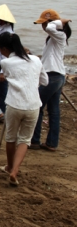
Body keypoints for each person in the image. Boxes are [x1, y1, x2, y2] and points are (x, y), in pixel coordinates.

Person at [0, 32, 48, 186]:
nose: (1, 52)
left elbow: (6, 74)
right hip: (33, 105)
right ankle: (14, 170)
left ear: (5, 48)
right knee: (25, 140)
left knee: (11, 138)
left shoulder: (6, 63)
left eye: (0, 49)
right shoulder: (36, 60)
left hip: (15, 104)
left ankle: (10, 166)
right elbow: (45, 81)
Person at [30, 10, 72, 152]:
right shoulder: (52, 38)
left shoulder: (60, 35)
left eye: (44, 23)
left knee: (38, 107)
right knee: (54, 111)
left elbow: (50, 27)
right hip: (55, 76)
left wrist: (61, 21)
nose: (43, 26)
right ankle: (51, 143)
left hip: (53, 76)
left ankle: (34, 141)